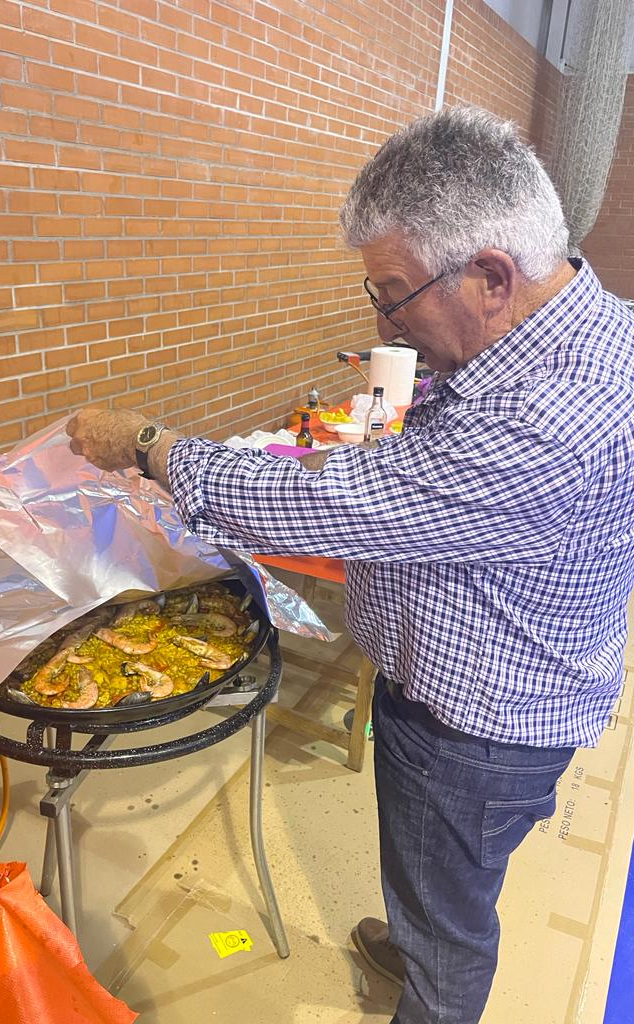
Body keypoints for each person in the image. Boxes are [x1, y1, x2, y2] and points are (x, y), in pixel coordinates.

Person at [67, 107, 634, 1024]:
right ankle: (413, 931)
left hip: (478, 728)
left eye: (393, 293)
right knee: (434, 873)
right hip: (513, 689)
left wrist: (146, 442)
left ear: (490, 276)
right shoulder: (594, 330)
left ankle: (431, 979)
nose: (383, 318)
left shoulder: (549, 417)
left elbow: (324, 505)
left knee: (453, 917)